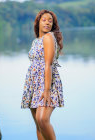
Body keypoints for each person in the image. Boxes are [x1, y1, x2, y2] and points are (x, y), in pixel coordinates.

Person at [21, 9, 64, 140]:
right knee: (38, 125)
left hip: (46, 83)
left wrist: (46, 90)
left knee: (42, 119)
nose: (47, 23)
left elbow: (48, 64)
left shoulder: (48, 37)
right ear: (38, 22)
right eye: (44, 20)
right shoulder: (36, 41)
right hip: (33, 83)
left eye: (50, 21)